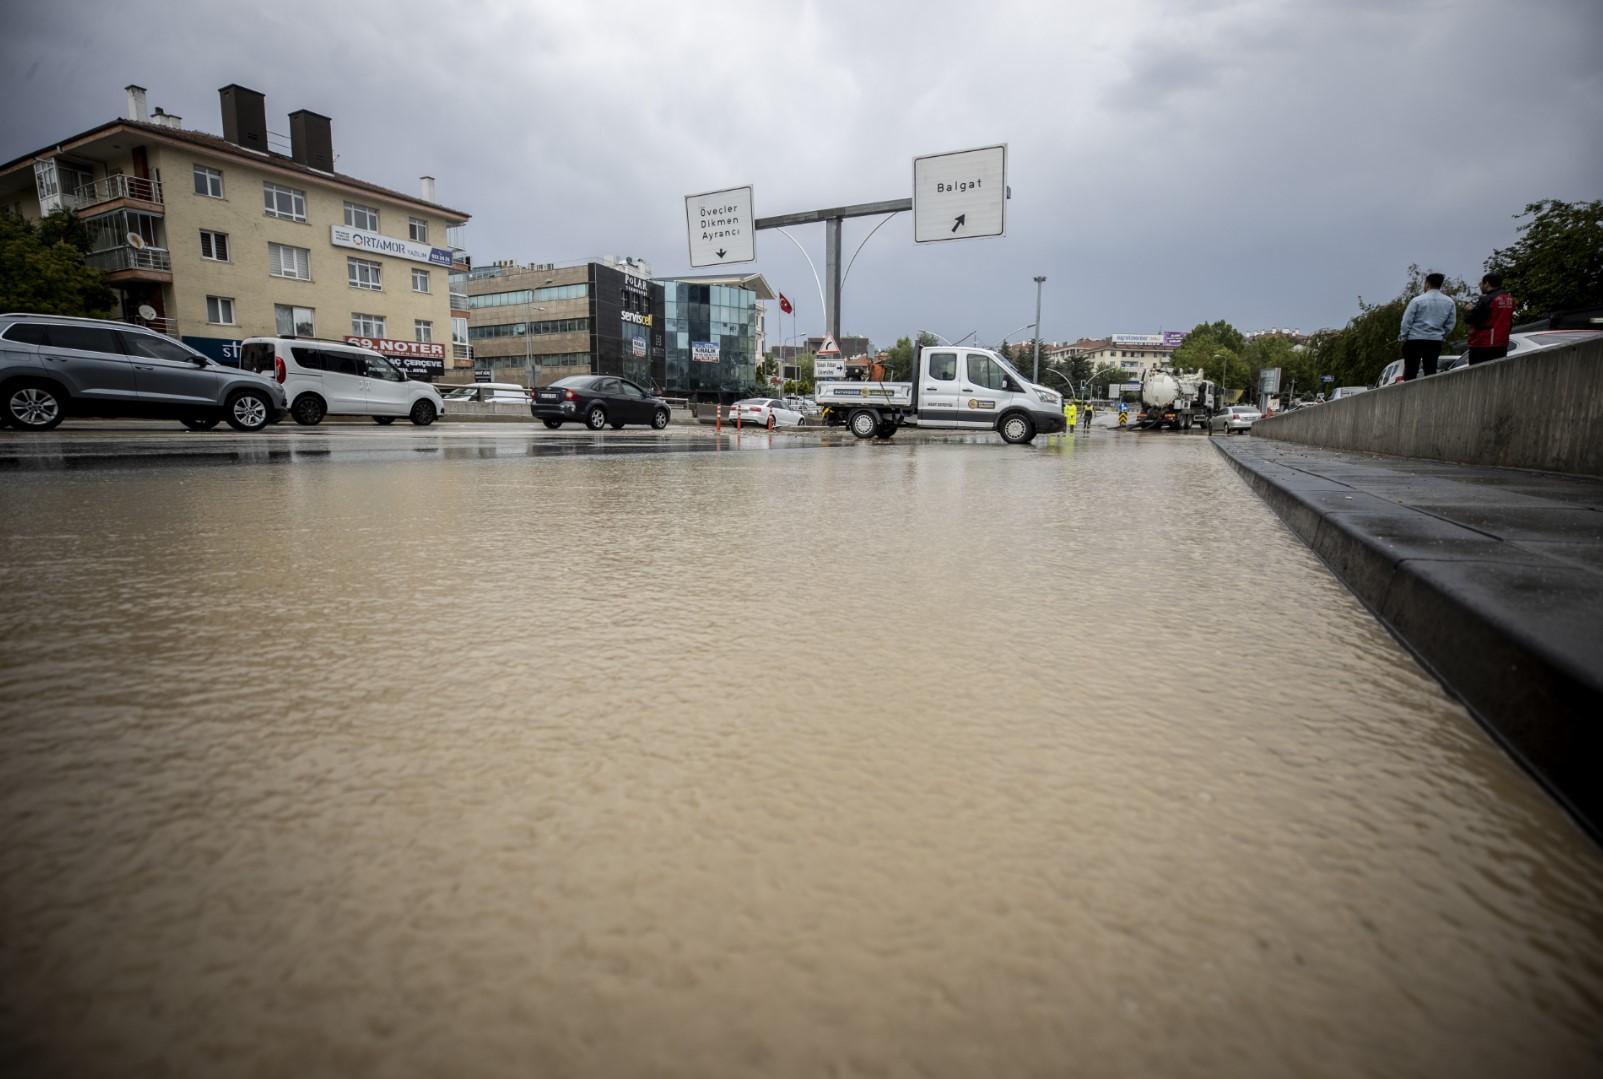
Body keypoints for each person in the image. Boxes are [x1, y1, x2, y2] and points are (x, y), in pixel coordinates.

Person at [1397, 272, 1456, 380]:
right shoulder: (1449, 302)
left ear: (1427, 283)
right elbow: (1450, 324)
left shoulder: (1417, 301)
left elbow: (1406, 321)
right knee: (1430, 370)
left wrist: (1404, 336)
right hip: (1434, 341)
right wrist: (1442, 335)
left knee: (1411, 370)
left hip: (1415, 340)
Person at [1464, 272, 1515, 365]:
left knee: (1478, 373)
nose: (1480, 286)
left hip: (1483, 342)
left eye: (1481, 283)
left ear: (1487, 283)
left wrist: (1470, 310)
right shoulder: (1509, 298)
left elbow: (1473, 319)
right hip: (1502, 342)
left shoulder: (1488, 299)